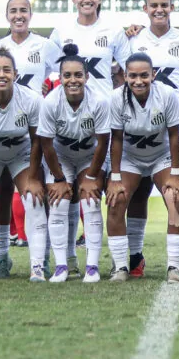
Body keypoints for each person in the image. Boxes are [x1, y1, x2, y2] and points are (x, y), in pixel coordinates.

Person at [50, 0, 131, 273]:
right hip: (70, 120)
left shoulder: (114, 31)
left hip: (103, 120)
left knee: (100, 193)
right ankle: (70, 260)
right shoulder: (61, 32)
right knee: (67, 196)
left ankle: (118, 261)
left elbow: (128, 68)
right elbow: (50, 72)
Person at [123, 0, 179, 277]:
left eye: (164, 4)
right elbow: (121, 76)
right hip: (138, 127)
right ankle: (135, 257)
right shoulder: (132, 39)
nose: (159, 9)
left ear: (172, 7)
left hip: (174, 129)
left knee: (178, 193)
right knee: (137, 195)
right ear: (145, 8)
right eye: (153, 5)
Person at [0, 48, 58, 283]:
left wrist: (33, 178)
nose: (1, 75)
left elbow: (37, 140)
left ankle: (38, 265)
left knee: (34, 198)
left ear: (15, 74)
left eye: (7, 70)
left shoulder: (31, 100)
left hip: (21, 151)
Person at [0, 0, 62, 276]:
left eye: (23, 10)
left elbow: (63, 74)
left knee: (38, 191)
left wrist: (49, 89)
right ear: (7, 15)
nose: (18, 15)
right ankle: (2, 256)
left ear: (30, 15)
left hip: (36, 127)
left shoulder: (44, 45)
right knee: (2, 192)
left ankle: (42, 256)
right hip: (3, 125)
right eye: (13, 11)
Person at [105, 52, 179, 282]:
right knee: (116, 199)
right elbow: (116, 139)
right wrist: (115, 178)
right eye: (132, 76)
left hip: (161, 156)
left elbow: (174, 135)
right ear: (125, 76)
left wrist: (175, 173)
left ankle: (174, 265)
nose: (138, 81)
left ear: (153, 75)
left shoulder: (167, 95)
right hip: (130, 157)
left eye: (144, 75)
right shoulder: (116, 98)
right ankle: (121, 267)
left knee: (175, 197)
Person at [36, 44, 110, 282]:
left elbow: (103, 142)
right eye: (67, 75)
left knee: (90, 200)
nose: (73, 80)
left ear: (87, 77)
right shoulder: (50, 102)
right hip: (61, 156)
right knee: (58, 202)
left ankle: (92, 267)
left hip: (90, 155)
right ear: (60, 78)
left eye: (78, 75)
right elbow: (46, 144)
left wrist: (91, 177)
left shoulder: (99, 101)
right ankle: (61, 266)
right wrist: (59, 179)